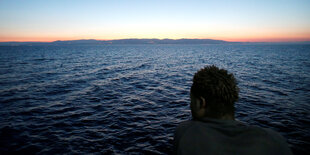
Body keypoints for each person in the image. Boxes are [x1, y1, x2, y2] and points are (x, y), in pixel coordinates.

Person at [174, 65, 292, 155]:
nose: (190, 106)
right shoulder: (275, 141)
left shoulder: (185, 134)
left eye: (191, 101)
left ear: (201, 103)